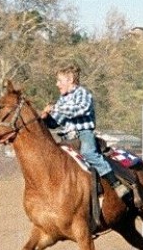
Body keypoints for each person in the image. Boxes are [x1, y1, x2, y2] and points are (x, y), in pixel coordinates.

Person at [41, 66, 130, 199]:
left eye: (59, 80)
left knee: (89, 153)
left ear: (70, 79)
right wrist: (46, 118)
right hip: (67, 137)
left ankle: (116, 184)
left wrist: (55, 108)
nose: (57, 84)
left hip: (84, 133)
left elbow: (80, 110)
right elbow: (56, 122)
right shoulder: (62, 99)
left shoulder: (83, 93)